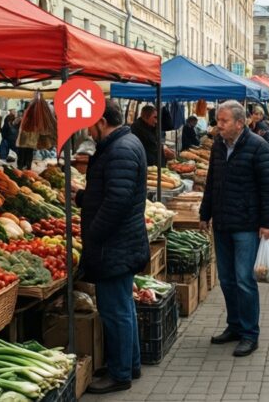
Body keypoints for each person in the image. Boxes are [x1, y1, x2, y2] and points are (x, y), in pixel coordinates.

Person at [78, 102, 151, 394]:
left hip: (114, 244)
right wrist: (84, 197)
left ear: (101, 121)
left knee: (115, 310)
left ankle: (120, 374)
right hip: (122, 242)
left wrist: (94, 234)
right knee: (123, 308)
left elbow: (116, 202)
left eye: (89, 124)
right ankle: (129, 364)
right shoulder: (123, 144)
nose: (87, 130)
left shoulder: (120, 149)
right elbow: (111, 193)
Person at [199, 101, 269, 357]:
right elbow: (212, 181)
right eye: (218, 120)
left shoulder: (258, 147)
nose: (218, 125)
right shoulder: (219, 147)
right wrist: (204, 213)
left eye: (223, 121)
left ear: (240, 123)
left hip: (245, 224)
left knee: (244, 280)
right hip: (221, 222)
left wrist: (267, 223)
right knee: (227, 280)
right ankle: (234, 325)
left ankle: (249, 334)